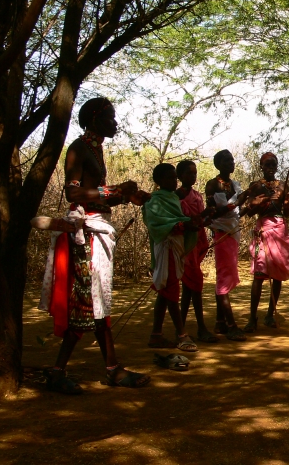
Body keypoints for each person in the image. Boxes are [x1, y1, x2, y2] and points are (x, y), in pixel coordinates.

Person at [38, 97, 150, 393]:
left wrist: (127, 197)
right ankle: (73, 371)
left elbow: (98, 197)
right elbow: (73, 194)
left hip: (96, 229)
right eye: (110, 117)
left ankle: (102, 368)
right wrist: (113, 190)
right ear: (94, 119)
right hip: (86, 233)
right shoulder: (78, 148)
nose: (115, 123)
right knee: (90, 300)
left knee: (95, 301)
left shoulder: (95, 149)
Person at [143, 163, 207, 352]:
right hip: (166, 248)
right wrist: (184, 225)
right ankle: (181, 334)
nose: (174, 181)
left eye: (174, 178)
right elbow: (157, 224)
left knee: (165, 292)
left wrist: (194, 221)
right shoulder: (154, 201)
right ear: (159, 181)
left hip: (176, 248)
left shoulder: (173, 198)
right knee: (170, 291)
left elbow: (182, 220)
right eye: (170, 178)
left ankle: (156, 335)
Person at [243, 152, 289, 332]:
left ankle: (270, 314)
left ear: (277, 167)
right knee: (259, 273)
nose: (270, 168)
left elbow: (287, 213)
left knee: (277, 274)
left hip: (279, 229)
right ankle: (252, 318)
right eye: (267, 165)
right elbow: (249, 211)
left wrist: (286, 204)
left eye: (273, 165)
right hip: (263, 229)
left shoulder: (283, 186)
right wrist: (260, 203)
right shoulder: (255, 186)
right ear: (261, 167)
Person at [205, 149, 249, 341]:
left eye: (232, 160)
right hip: (221, 233)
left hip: (232, 233)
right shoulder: (212, 184)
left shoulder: (235, 185)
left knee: (224, 276)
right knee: (223, 277)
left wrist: (250, 202)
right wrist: (236, 203)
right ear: (218, 164)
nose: (231, 163)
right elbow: (212, 212)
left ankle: (220, 322)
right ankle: (231, 325)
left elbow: (237, 214)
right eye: (226, 161)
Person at [176, 159, 217, 343]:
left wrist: (208, 218)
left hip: (197, 243)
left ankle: (181, 328)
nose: (193, 176)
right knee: (195, 284)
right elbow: (185, 221)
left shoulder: (197, 196)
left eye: (195, 173)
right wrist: (203, 215)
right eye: (189, 173)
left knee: (188, 287)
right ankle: (201, 328)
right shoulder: (176, 197)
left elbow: (200, 222)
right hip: (185, 245)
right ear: (180, 176)